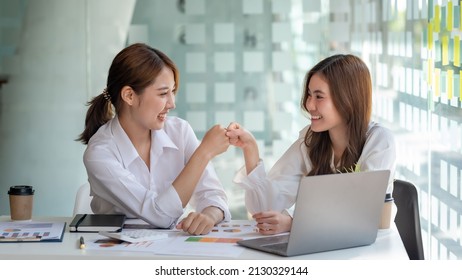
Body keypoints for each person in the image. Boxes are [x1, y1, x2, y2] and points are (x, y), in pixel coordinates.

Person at [226, 54, 396, 235]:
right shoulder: (311, 140)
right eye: (309, 94)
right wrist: (250, 149)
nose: (309, 105)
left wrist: (296, 224)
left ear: (348, 99)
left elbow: (361, 215)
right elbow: (265, 208)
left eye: (319, 96)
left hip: (370, 250)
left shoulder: (379, 141)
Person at [77, 43, 231, 235]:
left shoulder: (180, 131)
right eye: (163, 93)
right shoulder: (99, 153)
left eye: (173, 91)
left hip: (172, 249)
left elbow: (214, 195)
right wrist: (204, 152)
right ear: (129, 96)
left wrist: (209, 215)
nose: (172, 103)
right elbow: (160, 216)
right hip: (116, 252)